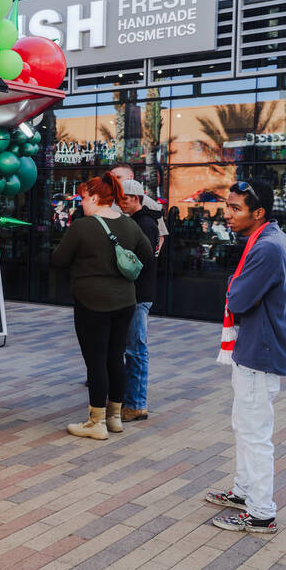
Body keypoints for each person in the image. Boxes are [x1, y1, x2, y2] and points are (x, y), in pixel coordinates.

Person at [206, 180, 286, 535]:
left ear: (258, 213)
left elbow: (238, 298)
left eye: (235, 208)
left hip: (261, 351)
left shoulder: (269, 247)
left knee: (255, 432)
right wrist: (237, 284)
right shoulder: (271, 239)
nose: (226, 214)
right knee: (244, 425)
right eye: (227, 206)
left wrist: (234, 284)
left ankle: (261, 512)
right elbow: (240, 290)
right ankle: (244, 492)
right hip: (255, 347)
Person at [52, 173, 153, 439]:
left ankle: (96, 422)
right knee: (115, 358)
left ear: (95, 197)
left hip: (91, 302)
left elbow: (59, 259)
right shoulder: (130, 225)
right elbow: (146, 254)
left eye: (84, 198)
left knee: (95, 361)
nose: (82, 203)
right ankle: (115, 417)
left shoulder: (82, 227)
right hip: (125, 302)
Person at [118, 180, 161, 421]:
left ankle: (136, 404)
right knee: (133, 349)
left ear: (136, 198)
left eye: (124, 199)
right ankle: (133, 401)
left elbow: (140, 261)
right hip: (138, 293)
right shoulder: (143, 221)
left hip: (138, 294)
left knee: (135, 350)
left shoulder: (144, 223)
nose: (120, 203)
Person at [110, 164, 168, 253]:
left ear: (130, 177)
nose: (114, 182)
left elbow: (160, 238)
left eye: (118, 177)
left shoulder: (150, 204)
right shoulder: (109, 200)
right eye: (112, 179)